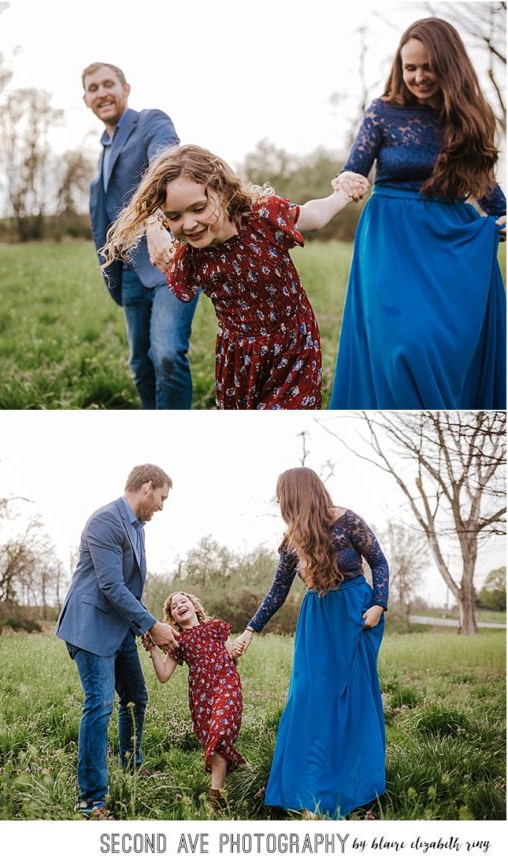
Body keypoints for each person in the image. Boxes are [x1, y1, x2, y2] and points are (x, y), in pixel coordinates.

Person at [104, 145, 367, 410]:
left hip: (294, 348)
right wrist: (162, 250)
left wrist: (342, 193)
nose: (189, 224)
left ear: (223, 192)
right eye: (175, 216)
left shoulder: (263, 217)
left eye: (198, 208)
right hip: (240, 361)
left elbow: (316, 216)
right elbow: (172, 273)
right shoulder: (190, 257)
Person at [330, 17, 506, 410]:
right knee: (401, 344)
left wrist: (505, 215)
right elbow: (354, 167)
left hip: (449, 239)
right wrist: (348, 182)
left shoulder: (467, 118)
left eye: (429, 67)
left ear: (449, 66)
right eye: (410, 67)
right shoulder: (382, 112)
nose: (419, 76)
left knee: (442, 345)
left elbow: (485, 185)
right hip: (390, 238)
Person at [231, 468, 389, 817]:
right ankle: (310, 790)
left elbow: (378, 562)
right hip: (317, 621)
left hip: (355, 615)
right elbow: (278, 591)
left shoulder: (348, 522)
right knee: (309, 698)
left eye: (282, 497)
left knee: (352, 698)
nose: (279, 504)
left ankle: (355, 784)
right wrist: (249, 630)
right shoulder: (292, 541)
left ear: (297, 496)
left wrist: (379, 604)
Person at [55, 464, 178, 820]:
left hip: (119, 628)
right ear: (147, 487)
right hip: (90, 627)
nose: (161, 506)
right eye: (162, 498)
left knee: (136, 698)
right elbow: (110, 586)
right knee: (100, 705)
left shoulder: (137, 528)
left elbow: (128, 589)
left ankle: (130, 768)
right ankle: (91, 801)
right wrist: (152, 625)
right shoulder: (106, 521)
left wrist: (145, 626)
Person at [82, 62, 196, 410]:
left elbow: (166, 162)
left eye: (108, 84)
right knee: (140, 365)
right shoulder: (103, 150)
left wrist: (153, 222)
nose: (101, 93)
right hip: (130, 271)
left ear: (126, 88)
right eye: (92, 88)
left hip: (169, 262)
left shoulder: (151, 121)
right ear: (86, 99)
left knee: (166, 354)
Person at [143, 591, 244, 813]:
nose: (179, 606)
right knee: (216, 740)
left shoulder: (217, 627)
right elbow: (163, 676)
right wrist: (152, 651)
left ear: (194, 605)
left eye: (183, 601)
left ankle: (215, 795)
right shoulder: (177, 641)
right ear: (172, 618)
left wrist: (237, 649)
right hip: (201, 695)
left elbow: (233, 659)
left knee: (219, 731)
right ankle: (243, 773)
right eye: (173, 607)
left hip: (226, 685)